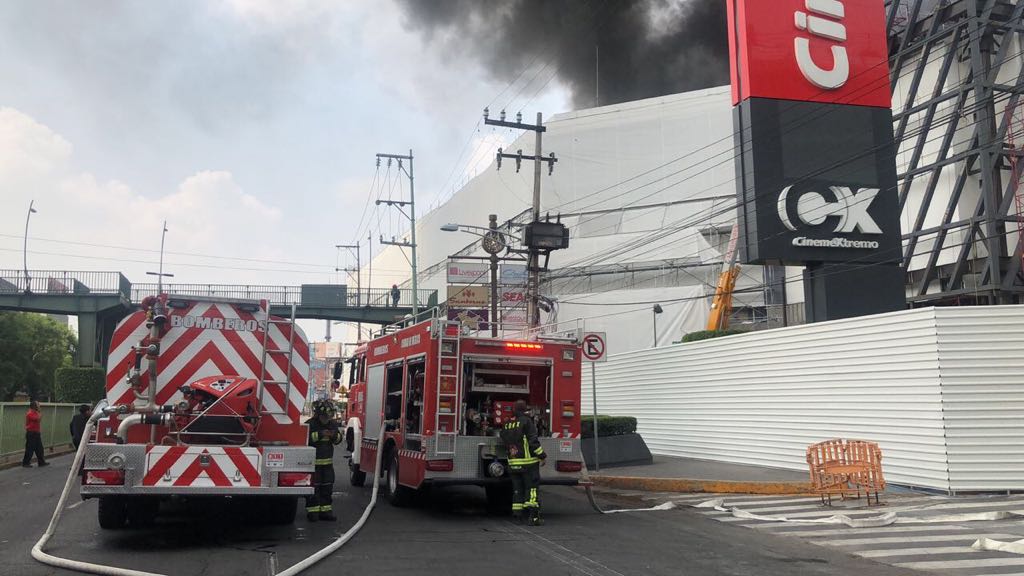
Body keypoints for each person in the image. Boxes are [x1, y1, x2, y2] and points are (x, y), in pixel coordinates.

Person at [500, 400, 546, 525]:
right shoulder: (527, 422)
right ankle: (534, 518)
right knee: (531, 489)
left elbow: (503, 438)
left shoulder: (507, 423)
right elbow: (533, 442)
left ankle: (517, 516)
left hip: (513, 463)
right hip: (528, 463)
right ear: (525, 409)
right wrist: (542, 455)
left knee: (517, 490)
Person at [306, 400, 342, 522]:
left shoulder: (332, 424)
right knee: (314, 489)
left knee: (327, 488)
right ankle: (313, 512)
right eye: (325, 416)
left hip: (327, 465)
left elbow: (338, 439)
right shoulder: (310, 424)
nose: (327, 418)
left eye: (329, 415)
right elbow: (307, 439)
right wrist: (320, 434)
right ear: (318, 414)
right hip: (313, 465)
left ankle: (326, 511)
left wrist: (333, 435)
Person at [22, 401, 49, 468]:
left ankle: (41, 462)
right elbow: (38, 419)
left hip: (36, 432)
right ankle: (25, 462)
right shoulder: (30, 413)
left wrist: (38, 412)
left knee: (39, 448)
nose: (39, 406)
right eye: (38, 405)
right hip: (31, 433)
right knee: (30, 448)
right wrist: (39, 412)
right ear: (34, 406)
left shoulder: (35, 412)